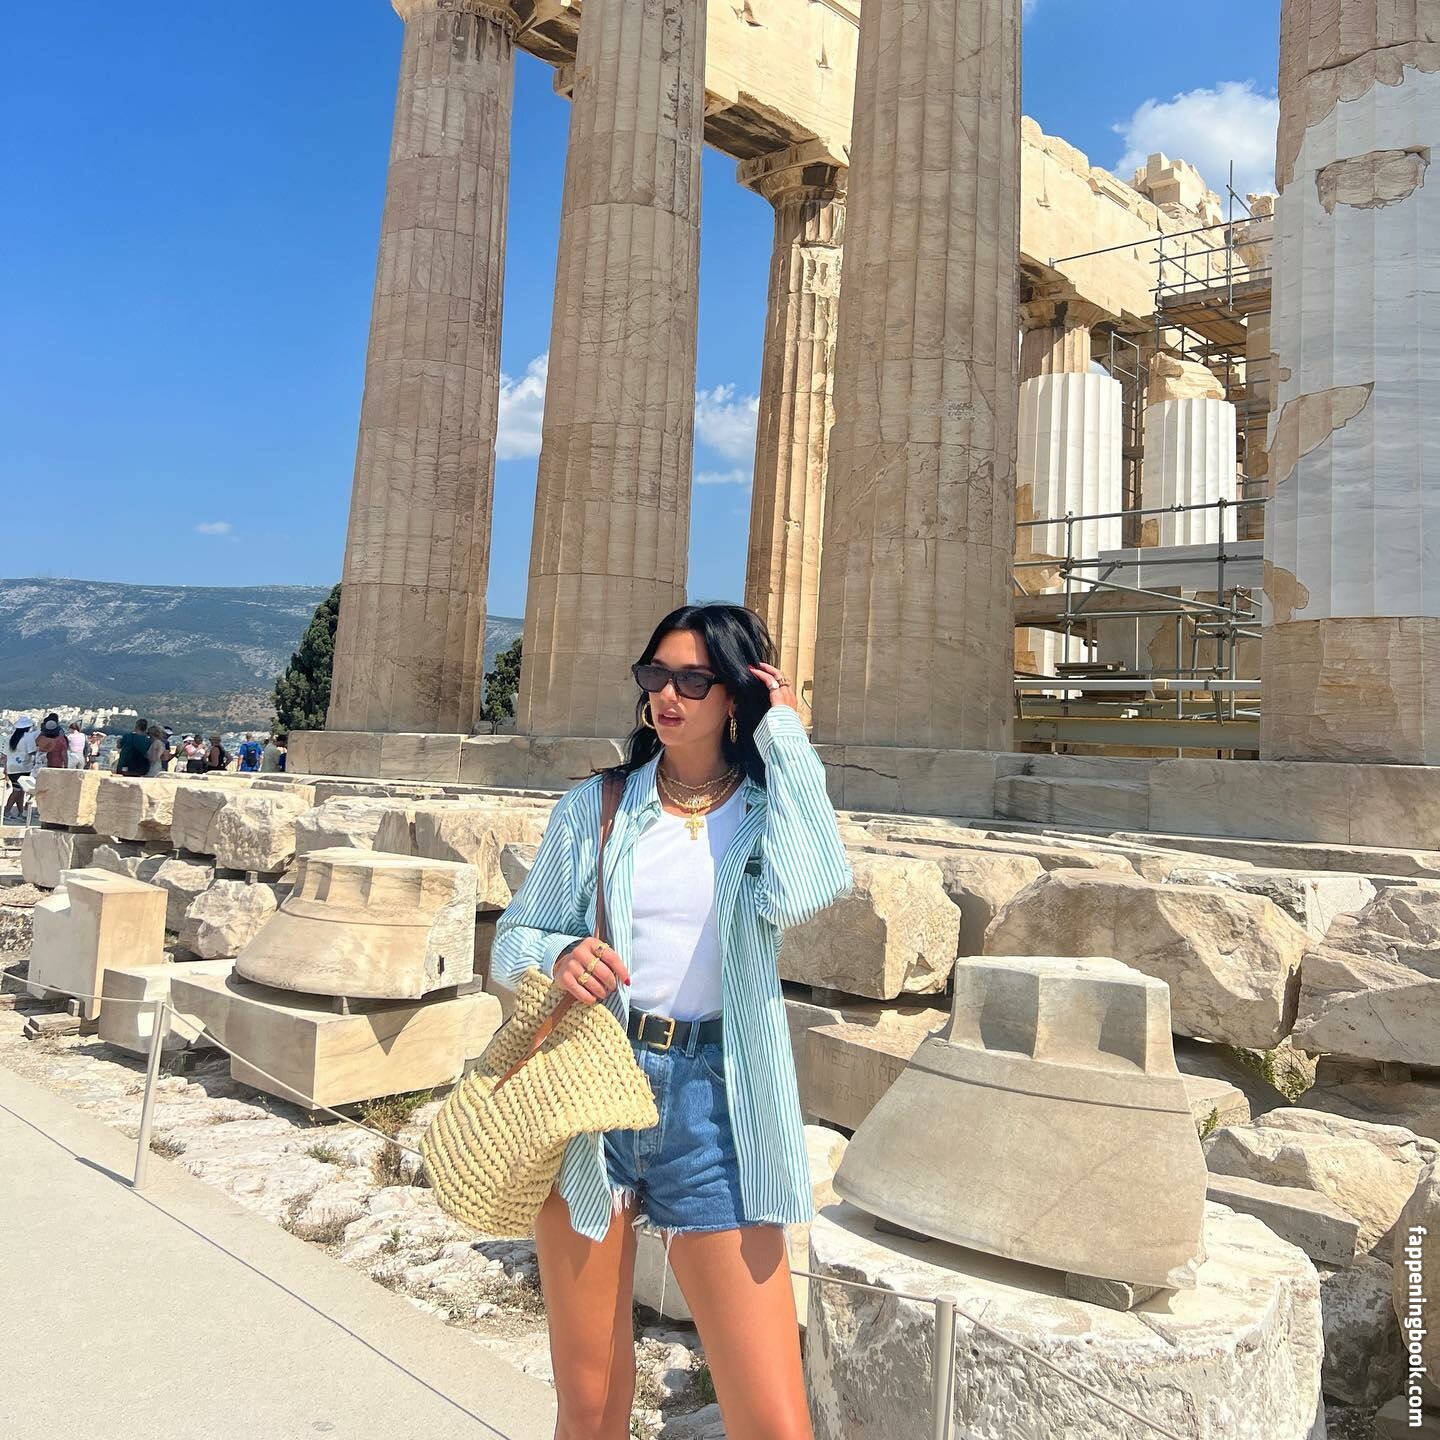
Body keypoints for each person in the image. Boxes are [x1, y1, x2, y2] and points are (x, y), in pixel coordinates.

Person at [491, 604, 851, 1440]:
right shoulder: (598, 805)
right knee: (589, 1405)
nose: (669, 695)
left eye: (694, 679)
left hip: (715, 1104)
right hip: (592, 1089)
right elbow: (514, 937)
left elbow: (813, 885)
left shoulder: (764, 811)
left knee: (774, 1421)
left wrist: (787, 736)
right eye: (657, 674)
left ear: (735, 694)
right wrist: (558, 956)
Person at [5, 717, 37, 819]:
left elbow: (6, 754)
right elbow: (32, 751)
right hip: (23, 767)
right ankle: (6, 812)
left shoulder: (11, 737)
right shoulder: (28, 737)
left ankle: (21, 812)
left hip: (11, 767)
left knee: (19, 790)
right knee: (17, 791)